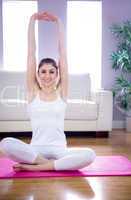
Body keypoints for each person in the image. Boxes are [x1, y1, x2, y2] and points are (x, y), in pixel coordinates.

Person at [0, 12, 96, 172]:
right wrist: (32, 20)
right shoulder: (32, 92)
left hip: (60, 150)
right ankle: (45, 163)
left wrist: (58, 22)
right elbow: (31, 53)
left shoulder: (62, 93)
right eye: (43, 71)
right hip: (36, 150)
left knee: (90, 155)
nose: (47, 76)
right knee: (5, 143)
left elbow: (63, 54)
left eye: (52, 71)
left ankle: (37, 167)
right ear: (37, 74)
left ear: (58, 74)